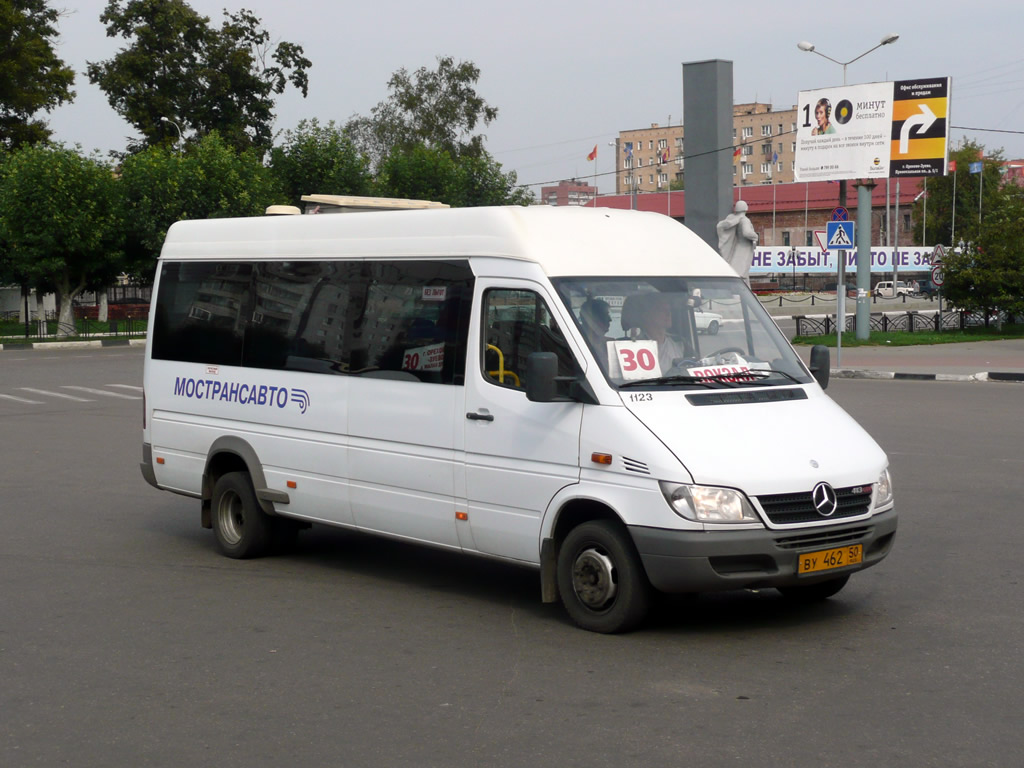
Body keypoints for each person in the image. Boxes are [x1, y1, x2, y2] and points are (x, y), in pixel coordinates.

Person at [623, 293, 687, 373]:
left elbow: (696, 364)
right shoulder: (634, 347)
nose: (668, 313)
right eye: (661, 310)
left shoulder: (680, 342)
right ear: (646, 315)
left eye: (669, 310)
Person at [716, 200, 758, 285]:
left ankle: (748, 292)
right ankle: (740, 293)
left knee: (743, 272)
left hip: (738, 248)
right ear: (746, 209)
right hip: (744, 249)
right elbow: (746, 233)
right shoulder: (745, 220)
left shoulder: (736, 219)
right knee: (740, 272)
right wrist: (755, 236)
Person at [579, 298, 612, 370]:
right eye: (606, 315)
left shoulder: (611, 344)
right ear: (593, 318)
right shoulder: (578, 345)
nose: (610, 319)